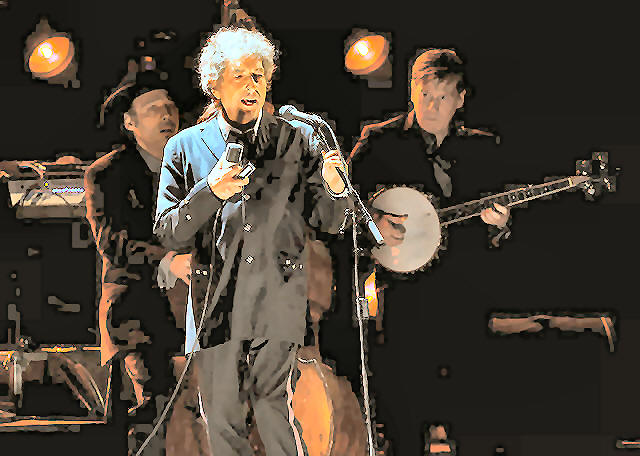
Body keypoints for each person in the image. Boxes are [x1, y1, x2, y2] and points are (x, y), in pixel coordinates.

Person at [154, 26, 348, 456]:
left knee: (273, 407)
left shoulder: (295, 140)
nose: (251, 86)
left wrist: (336, 190)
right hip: (215, 301)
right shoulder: (184, 147)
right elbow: (168, 229)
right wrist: (210, 191)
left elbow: (330, 222)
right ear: (215, 85)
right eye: (240, 76)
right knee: (222, 418)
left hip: (277, 297)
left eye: (258, 76)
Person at [334, 48, 513, 455]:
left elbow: (499, 230)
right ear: (411, 92)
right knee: (405, 406)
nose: (432, 106)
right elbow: (338, 205)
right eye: (424, 95)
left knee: (469, 407)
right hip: (403, 296)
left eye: (443, 97)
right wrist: (373, 222)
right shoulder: (379, 140)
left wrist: (499, 225)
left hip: (466, 293)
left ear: (461, 98)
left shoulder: (482, 148)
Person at [85, 70, 209, 455]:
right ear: (130, 123)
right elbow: (113, 242)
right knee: (159, 413)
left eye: (170, 107)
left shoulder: (197, 167)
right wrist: (168, 261)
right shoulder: (106, 173)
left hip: (198, 311)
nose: (167, 115)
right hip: (140, 315)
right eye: (154, 108)